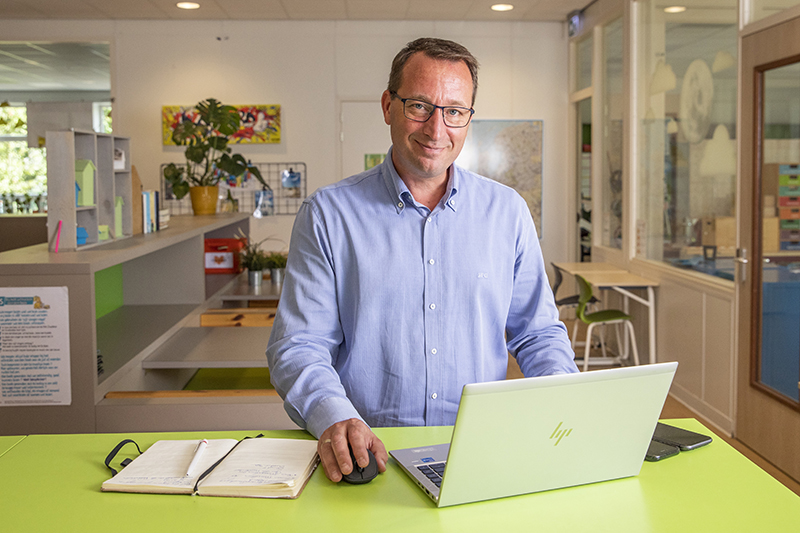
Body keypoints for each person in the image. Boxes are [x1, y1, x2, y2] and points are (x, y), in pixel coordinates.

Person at [266, 37, 578, 483]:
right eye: (419, 106)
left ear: (468, 117)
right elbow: (299, 345)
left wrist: (564, 403)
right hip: (368, 456)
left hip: (482, 453)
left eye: (455, 111)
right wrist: (335, 417)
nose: (436, 129)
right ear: (388, 106)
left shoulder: (506, 212)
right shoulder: (328, 215)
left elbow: (538, 333)